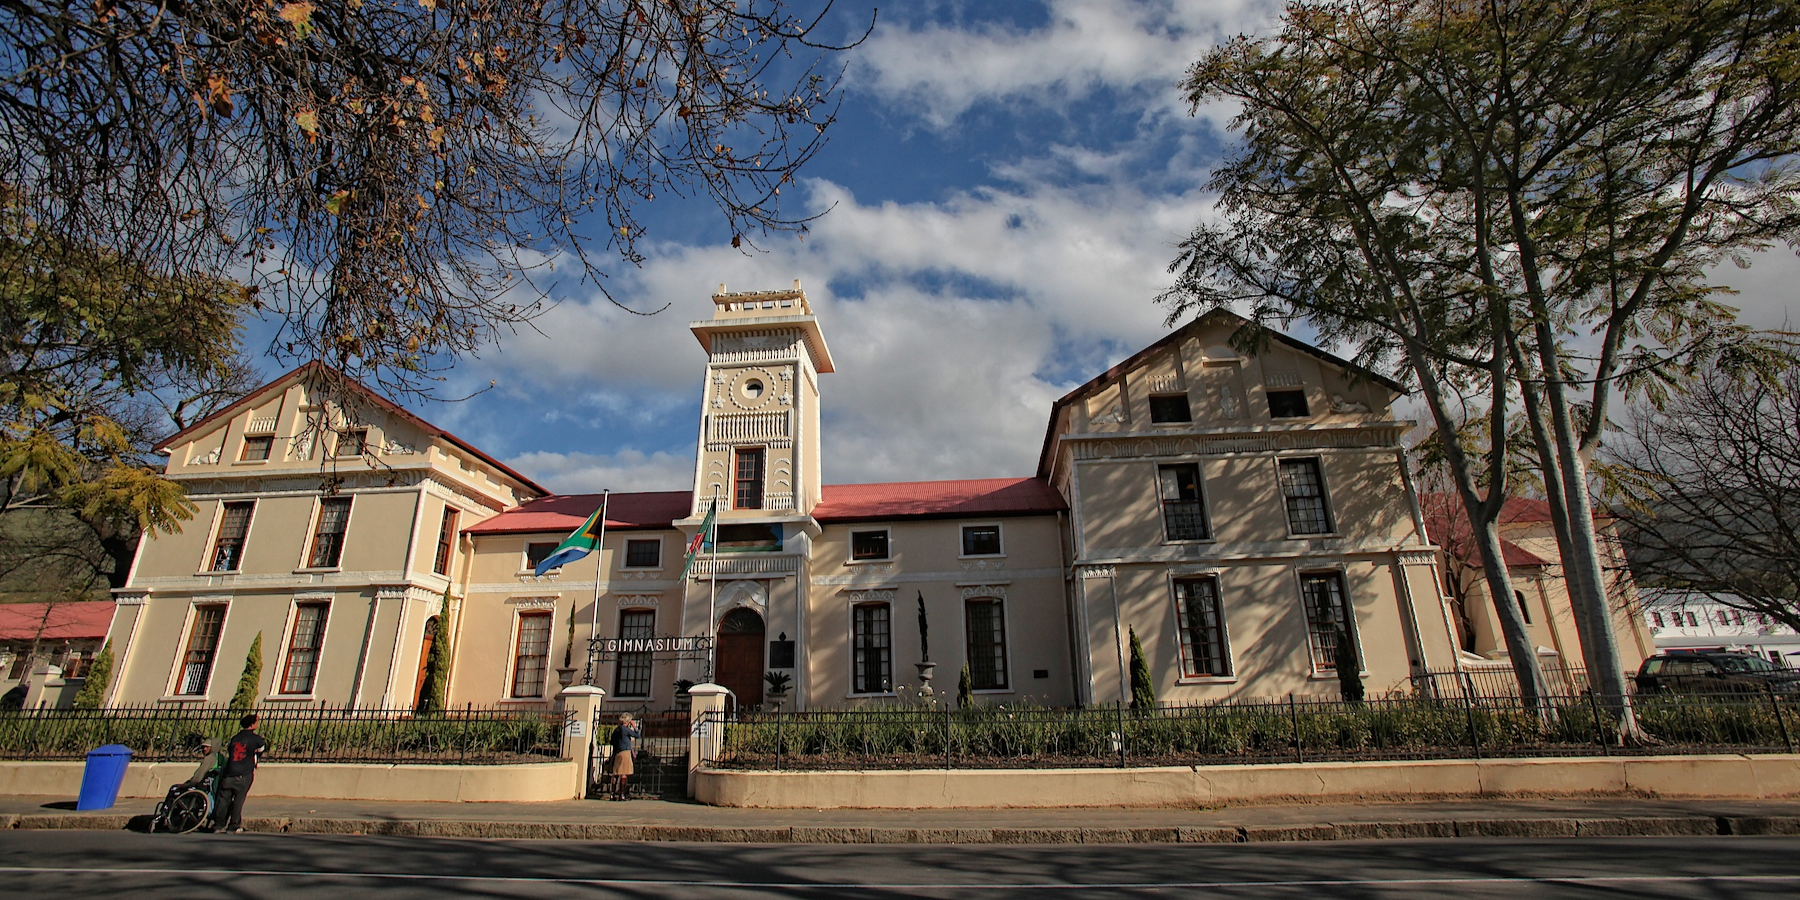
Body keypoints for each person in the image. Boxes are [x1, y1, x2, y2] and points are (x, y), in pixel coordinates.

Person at [211, 713, 266, 833]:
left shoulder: (235, 738)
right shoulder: (256, 739)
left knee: (223, 799)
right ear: (252, 724)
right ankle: (234, 824)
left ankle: (218, 824)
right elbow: (261, 749)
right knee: (238, 800)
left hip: (229, 772)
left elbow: (230, 751)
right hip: (244, 773)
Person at [607, 713, 641, 800]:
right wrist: (635, 727)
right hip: (625, 752)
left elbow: (612, 741)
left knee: (615, 773)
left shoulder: (617, 729)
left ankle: (612, 794)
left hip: (617, 752)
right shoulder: (625, 730)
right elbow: (637, 735)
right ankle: (621, 794)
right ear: (628, 721)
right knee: (624, 773)